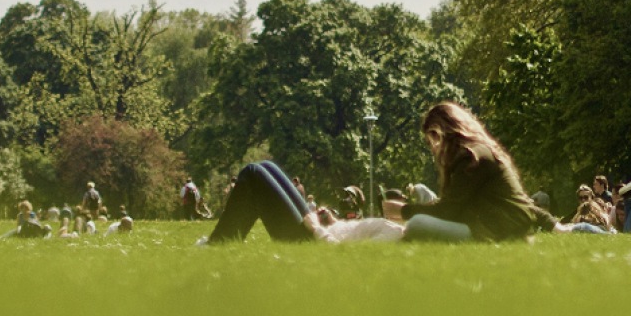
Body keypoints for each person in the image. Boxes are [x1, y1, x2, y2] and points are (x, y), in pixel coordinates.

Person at [381, 102, 553, 242]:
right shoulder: (479, 151)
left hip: (495, 231)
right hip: (501, 227)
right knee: (417, 224)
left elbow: (448, 210)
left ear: (442, 133)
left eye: (431, 140)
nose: (432, 149)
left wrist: (404, 211)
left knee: (418, 224)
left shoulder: (471, 157)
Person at [200, 159, 405, 244]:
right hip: (318, 230)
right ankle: (222, 241)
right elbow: (353, 238)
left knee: (253, 174)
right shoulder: (395, 228)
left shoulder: (395, 233)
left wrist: (317, 229)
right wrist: (334, 222)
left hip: (310, 240)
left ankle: (217, 244)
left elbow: (344, 254)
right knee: (265, 165)